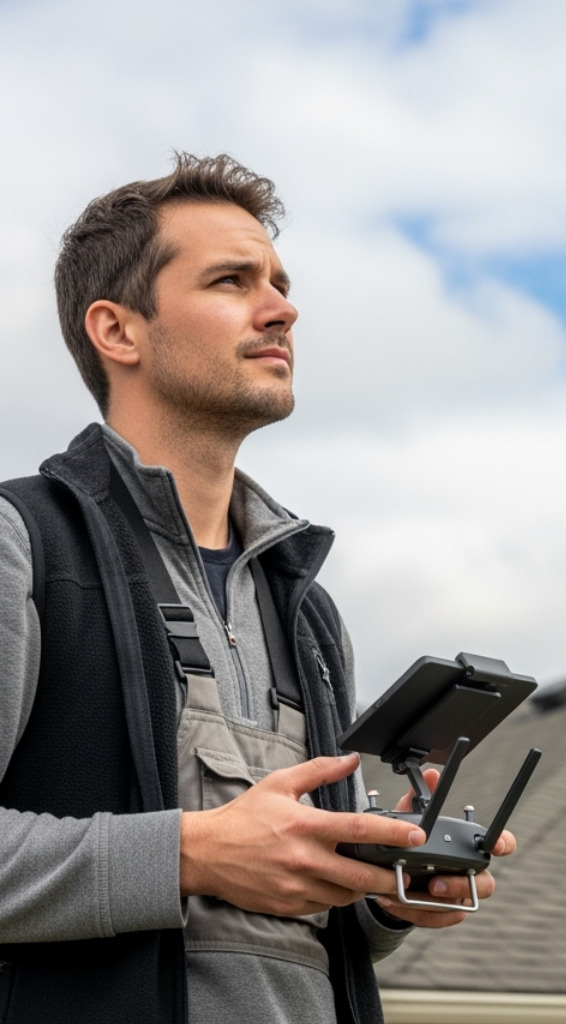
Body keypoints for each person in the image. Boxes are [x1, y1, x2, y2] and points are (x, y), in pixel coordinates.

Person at [0, 154, 514, 1024]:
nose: (283, 308)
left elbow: (286, 925)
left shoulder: (307, 610)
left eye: (278, 281)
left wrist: (384, 899)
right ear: (118, 331)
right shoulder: (23, 544)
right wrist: (185, 855)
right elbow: (203, 864)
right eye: (233, 281)